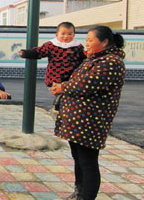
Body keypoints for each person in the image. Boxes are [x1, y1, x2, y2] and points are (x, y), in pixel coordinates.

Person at [50, 25, 125, 200]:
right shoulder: (94, 59)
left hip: (90, 122)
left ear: (105, 42)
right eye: (86, 40)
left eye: (90, 40)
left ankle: (86, 196)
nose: (87, 44)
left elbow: (84, 85)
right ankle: (79, 192)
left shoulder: (111, 62)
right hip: (78, 121)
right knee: (79, 159)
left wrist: (62, 87)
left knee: (88, 162)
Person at [19, 21, 86, 112]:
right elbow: (39, 52)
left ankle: (61, 105)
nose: (66, 36)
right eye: (63, 34)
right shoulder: (51, 45)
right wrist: (26, 53)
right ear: (57, 35)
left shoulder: (77, 47)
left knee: (68, 92)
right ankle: (58, 103)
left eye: (69, 34)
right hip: (55, 74)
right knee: (59, 90)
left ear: (74, 35)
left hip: (71, 76)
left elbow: (84, 59)